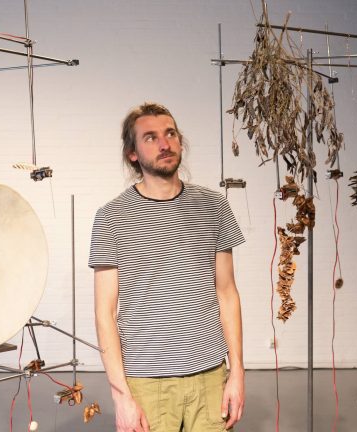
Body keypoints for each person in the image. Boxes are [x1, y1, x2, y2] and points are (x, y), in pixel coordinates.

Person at [89, 102, 246, 432]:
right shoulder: (111, 217)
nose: (164, 144)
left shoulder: (213, 206)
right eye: (150, 137)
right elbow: (105, 313)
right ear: (133, 153)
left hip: (210, 377)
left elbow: (227, 294)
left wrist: (237, 372)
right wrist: (121, 396)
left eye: (170, 134)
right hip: (147, 383)